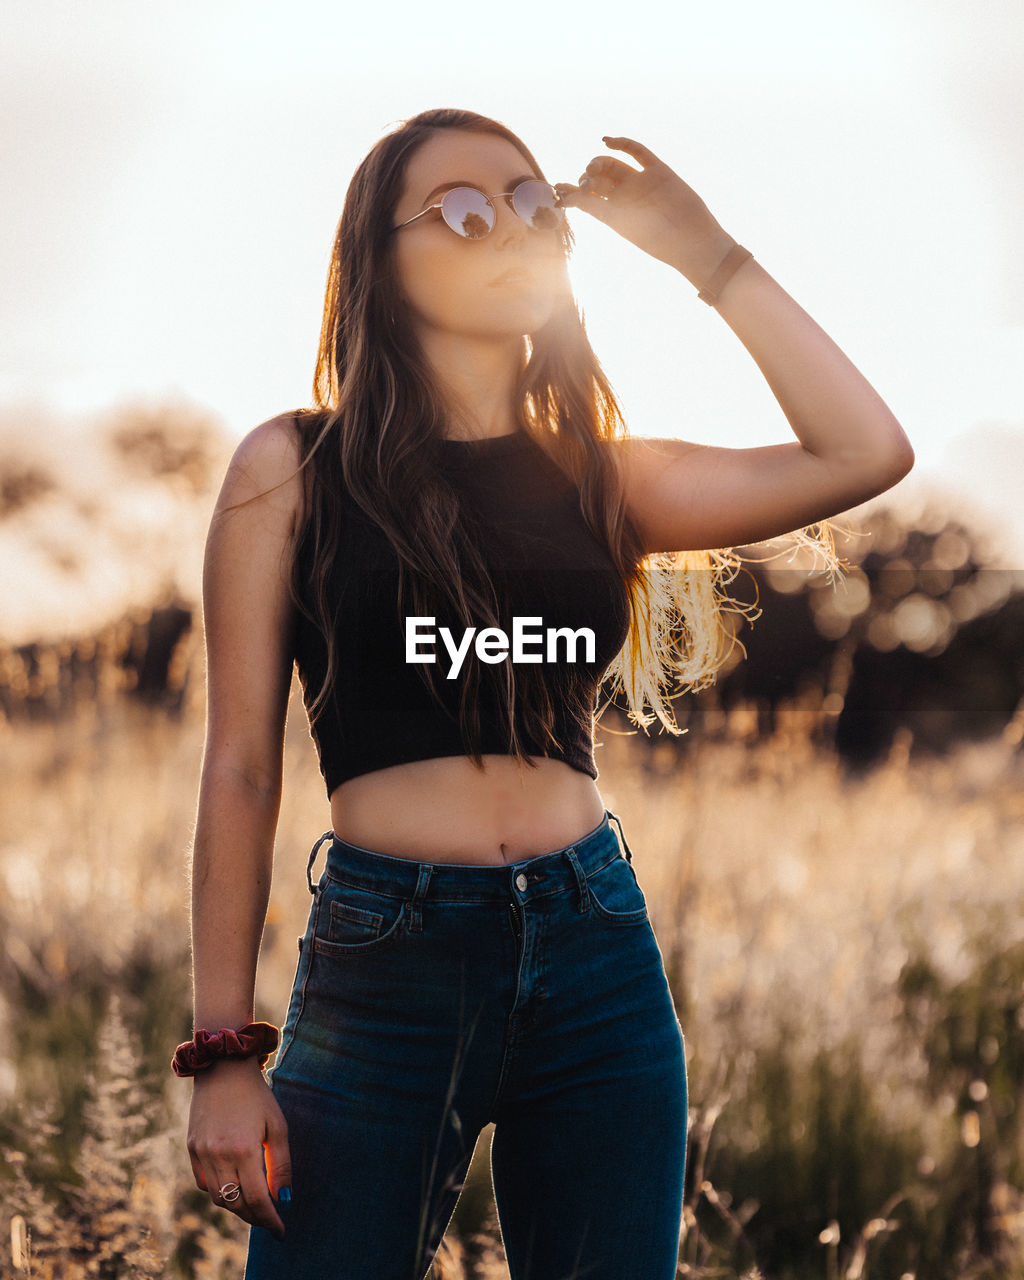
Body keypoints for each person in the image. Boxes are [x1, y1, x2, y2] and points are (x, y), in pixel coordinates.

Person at [174, 108, 913, 1279]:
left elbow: (861, 451)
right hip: (386, 958)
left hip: (592, 950)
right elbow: (241, 765)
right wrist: (222, 1051)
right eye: (463, 212)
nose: (509, 229)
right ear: (378, 262)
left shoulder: (600, 476)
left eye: (534, 206)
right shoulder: (293, 469)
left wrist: (707, 256)